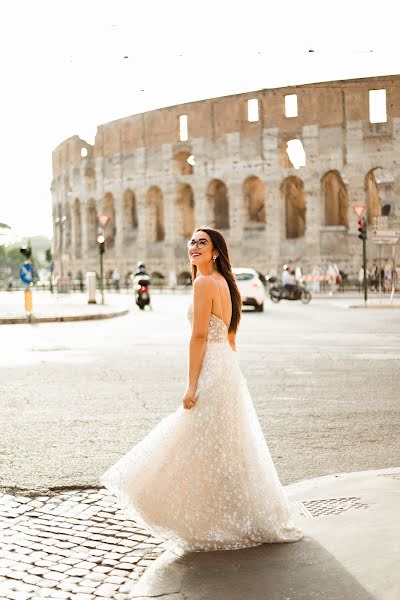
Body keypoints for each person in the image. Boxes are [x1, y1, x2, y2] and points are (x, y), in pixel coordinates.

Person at [100, 227, 303, 554]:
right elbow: (231, 334)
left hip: (212, 366)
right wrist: (225, 369)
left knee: (190, 439)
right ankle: (229, 515)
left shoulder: (204, 283)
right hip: (228, 368)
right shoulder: (226, 284)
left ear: (216, 252)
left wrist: (192, 384)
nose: (194, 246)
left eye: (202, 243)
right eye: (192, 242)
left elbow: (198, 338)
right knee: (227, 448)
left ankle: (196, 515)